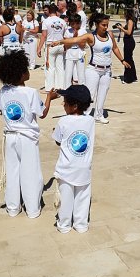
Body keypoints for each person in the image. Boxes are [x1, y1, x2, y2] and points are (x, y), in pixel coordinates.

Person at [0, 50, 58, 217]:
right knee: (30, 173)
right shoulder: (30, 92)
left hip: (10, 136)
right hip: (27, 138)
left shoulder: (4, 91)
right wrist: (49, 98)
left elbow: (0, 109)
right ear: (21, 74)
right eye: (26, 69)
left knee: (12, 172)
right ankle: (32, 209)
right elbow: (42, 113)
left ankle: (13, 207)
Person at [51, 13, 130, 124]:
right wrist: (59, 42)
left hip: (107, 70)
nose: (106, 27)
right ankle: (85, 115)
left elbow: (115, 48)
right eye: (103, 25)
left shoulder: (110, 34)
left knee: (103, 93)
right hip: (94, 70)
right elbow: (74, 40)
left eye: (107, 25)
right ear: (97, 25)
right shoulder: (90, 36)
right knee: (90, 95)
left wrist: (122, 60)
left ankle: (99, 115)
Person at [52, 85, 95, 233]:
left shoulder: (63, 121)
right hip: (84, 168)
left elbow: (58, 141)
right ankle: (81, 225)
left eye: (65, 102)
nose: (63, 104)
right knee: (83, 198)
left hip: (66, 169)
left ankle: (64, 225)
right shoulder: (91, 120)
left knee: (66, 199)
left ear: (74, 106)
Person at [37, 4, 66, 91]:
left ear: (49, 11)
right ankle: (60, 86)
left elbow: (43, 35)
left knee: (50, 67)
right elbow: (64, 35)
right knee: (60, 67)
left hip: (50, 45)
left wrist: (39, 48)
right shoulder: (62, 21)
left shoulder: (46, 21)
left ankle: (50, 88)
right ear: (57, 11)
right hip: (60, 44)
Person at [64, 13, 87, 88]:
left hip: (80, 54)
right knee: (68, 74)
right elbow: (66, 45)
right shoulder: (68, 31)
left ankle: (82, 90)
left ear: (79, 23)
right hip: (69, 54)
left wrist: (76, 38)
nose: (72, 26)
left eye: (74, 24)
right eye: (71, 24)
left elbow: (83, 45)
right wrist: (74, 38)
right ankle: (67, 89)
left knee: (81, 74)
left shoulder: (83, 32)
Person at [117, 9, 137, 84]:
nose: (124, 14)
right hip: (128, 41)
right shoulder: (129, 21)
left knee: (127, 60)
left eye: (125, 13)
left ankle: (128, 78)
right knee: (130, 59)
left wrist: (121, 29)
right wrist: (122, 27)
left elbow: (128, 32)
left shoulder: (130, 21)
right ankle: (133, 76)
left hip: (129, 41)